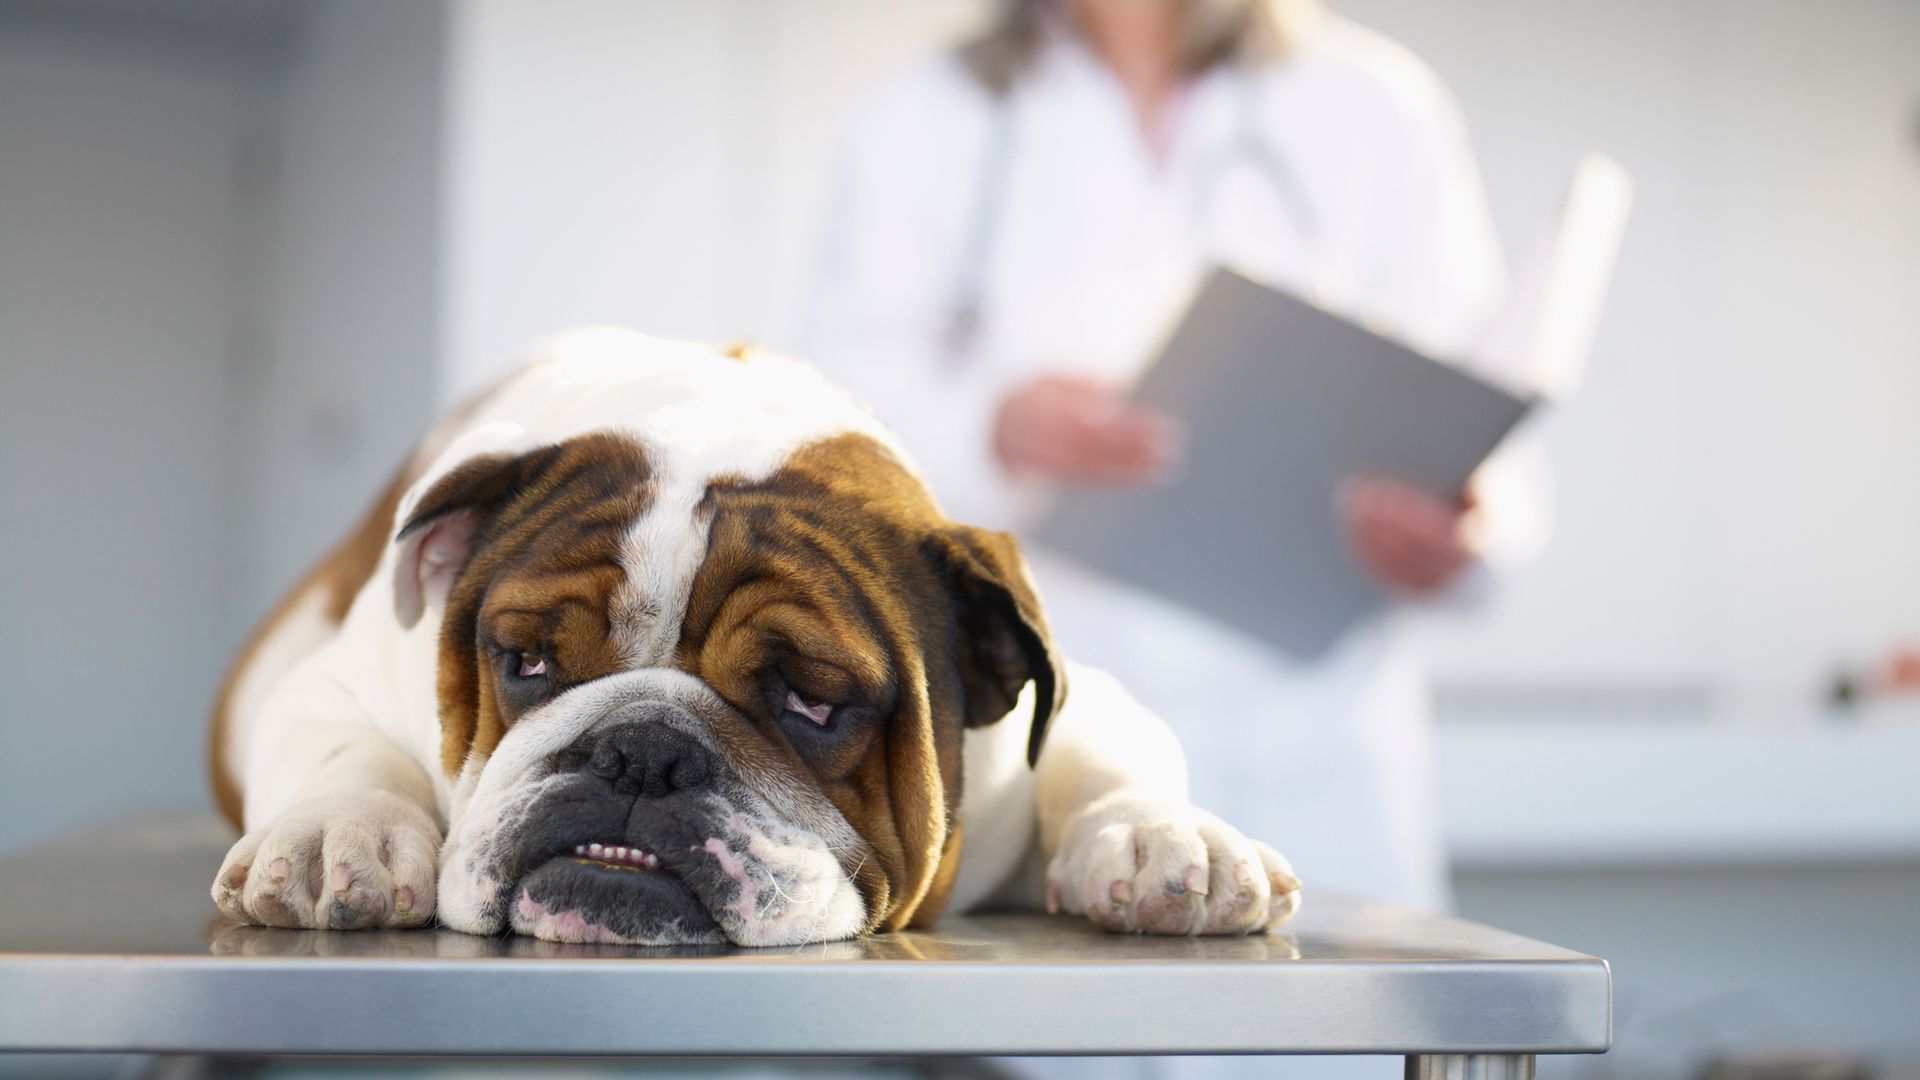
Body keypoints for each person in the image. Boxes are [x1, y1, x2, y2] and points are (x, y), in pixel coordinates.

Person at [802, 0, 1545, 935]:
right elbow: (836, 431)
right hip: (1048, 737)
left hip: (1312, 743)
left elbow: (1485, 442)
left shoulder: (1371, 106)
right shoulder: (923, 115)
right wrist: (994, 428)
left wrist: (1460, 542)